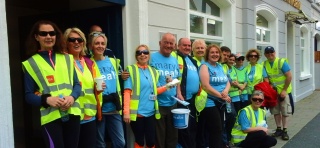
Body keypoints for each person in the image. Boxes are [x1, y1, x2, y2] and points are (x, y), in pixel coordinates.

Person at [22, 20, 82, 148]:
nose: (48, 36)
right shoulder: (31, 63)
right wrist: (47, 99)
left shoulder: (67, 58)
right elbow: (28, 95)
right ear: (36, 37)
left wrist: (72, 97)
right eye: (43, 33)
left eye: (52, 33)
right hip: (51, 117)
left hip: (72, 113)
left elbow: (77, 84)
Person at [64, 27, 105, 148]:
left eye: (80, 39)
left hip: (89, 116)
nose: (76, 42)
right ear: (66, 42)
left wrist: (99, 88)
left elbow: (96, 87)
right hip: (71, 116)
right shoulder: (62, 62)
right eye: (72, 39)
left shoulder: (89, 62)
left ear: (84, 42)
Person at [123, 44, 170, 148]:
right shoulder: (130, 69)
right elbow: (127, 92)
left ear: (149, 55)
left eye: (145, 52)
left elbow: (155, 90)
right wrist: (126, 112)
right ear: (136, 56)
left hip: (151, 113)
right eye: (139, 53)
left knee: (151, 141)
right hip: (137, 113)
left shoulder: (153, 71)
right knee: (139, 141)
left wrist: (167, 86)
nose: (142, 54)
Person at [89, 31, 125, 148]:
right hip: (99, 108)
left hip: (114, 107)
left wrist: (123, 75)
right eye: (97, 43)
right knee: (100, 143)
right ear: (91, 46)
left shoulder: (113, 61)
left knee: (120, 142)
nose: (100, 46)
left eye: (103, 43)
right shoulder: (89, 63)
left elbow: (120, 75)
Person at [149, 33, 182, 148]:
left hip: (172, 103)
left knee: (172, 137)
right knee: (159, 138)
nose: (168, 45)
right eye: (166, 42)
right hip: (158, 104)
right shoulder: (151, 57)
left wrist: (179, 93)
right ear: (160, 43)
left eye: (171, 43)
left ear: (175, 45)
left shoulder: (174, 60)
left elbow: (178, 79)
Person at [197, 44, 231, 148]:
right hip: (210, 102)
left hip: (221, 102)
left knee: (219, 129)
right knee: (216, 129)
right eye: (212, 52)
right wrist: (222, 96)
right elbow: (206, 86)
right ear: (207, 54)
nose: (215, 54)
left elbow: (228, 81)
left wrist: (225, 91)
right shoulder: (204, 67)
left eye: (217, 52)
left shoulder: (220, 66)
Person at [263, 46, 293, 140]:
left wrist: (284, 90)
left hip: (284, 91)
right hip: (273, 92)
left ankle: (285, 131)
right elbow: (266, 79)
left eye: (271, 52)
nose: (270, 54)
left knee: (284, 111)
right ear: (265, 55)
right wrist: (269, 88)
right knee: (276, 111)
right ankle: (278, 129)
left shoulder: (281, 62)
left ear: (274, 52)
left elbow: (289, 76)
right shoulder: (264, 64)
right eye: (267, 53)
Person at [176, 38, 200, 148]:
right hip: (182, 99)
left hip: (193, 99)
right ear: (178, 46)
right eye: (184, 45)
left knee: (192, 127)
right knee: (184, 129)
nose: (187, 48)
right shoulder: (175, 57)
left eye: (189, 45)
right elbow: (176, 77)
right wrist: (179, 92)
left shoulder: (192, 60)